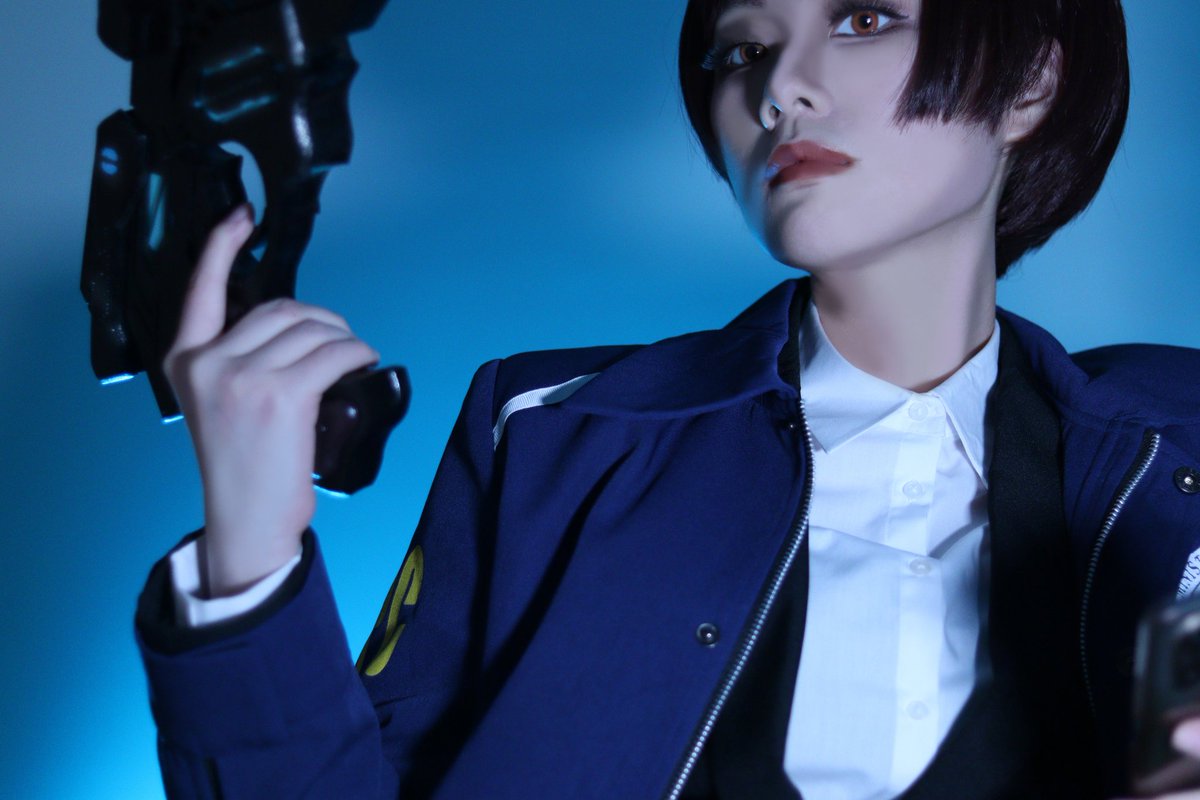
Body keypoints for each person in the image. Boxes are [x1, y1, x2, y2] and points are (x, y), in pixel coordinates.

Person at [134, 0, 1200, 797]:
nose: (782, 88)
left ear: (1031, 86)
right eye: (743, 48)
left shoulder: (1179, 439)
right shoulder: (553, 430)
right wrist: (249, 559)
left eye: (865, 18)